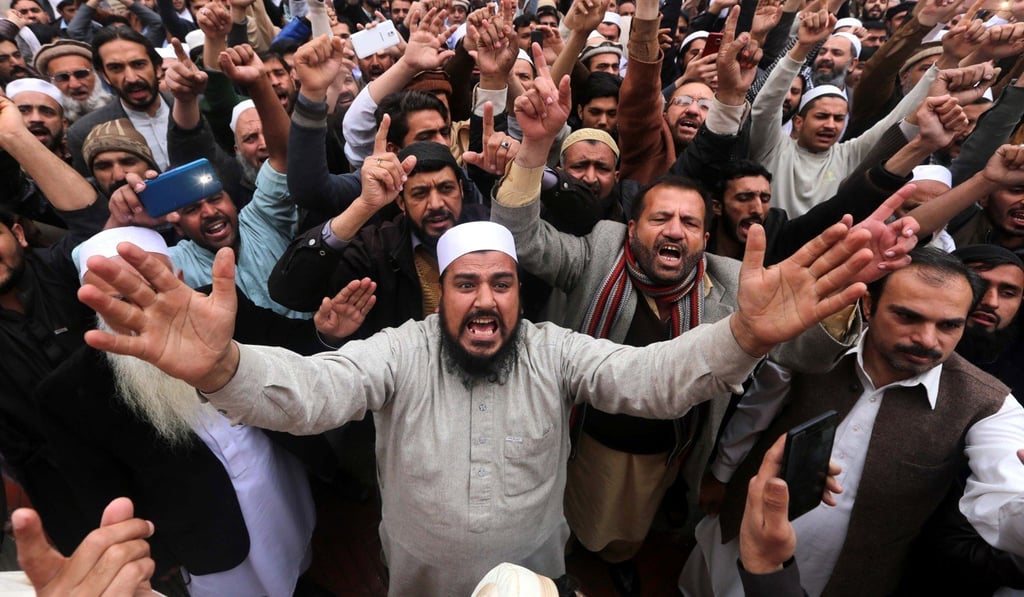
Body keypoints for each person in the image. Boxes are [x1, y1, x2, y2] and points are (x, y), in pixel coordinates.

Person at [80, 203, 877, 595]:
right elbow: (314, 392)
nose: (486, 299)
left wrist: (742, 335)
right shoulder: (402, 350)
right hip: (418, 576)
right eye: (467, 284)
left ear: (519, 293)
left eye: (502, 283)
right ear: (444, 294)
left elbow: (652, 380)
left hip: (532, 572)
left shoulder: (553, 349)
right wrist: (224, 369)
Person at [684, 247, 1024, 597]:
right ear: (869, 305)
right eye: (907, 316)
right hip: (731, 544)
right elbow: (758, 409)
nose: (926, 339)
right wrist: (721, 474)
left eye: (949, 325)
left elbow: (1004, 499)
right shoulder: (816, 345)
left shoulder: (990, 404)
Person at [66, 25, 172, 176]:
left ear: (157, 68)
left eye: (138, 64)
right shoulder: (84, 132)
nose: (131, 78)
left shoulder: (195, 107)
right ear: (104, 75)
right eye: (116, 68)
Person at [33, 39, 114, 123]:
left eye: (81, 74)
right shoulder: (46, 122)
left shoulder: (120, 107)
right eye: (62, 77)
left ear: (96, 75)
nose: (74, 85)